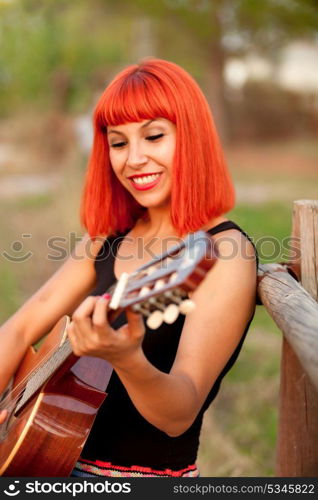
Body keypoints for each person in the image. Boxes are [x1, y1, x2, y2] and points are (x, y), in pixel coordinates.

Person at [0, 58, 257, 477]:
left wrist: (126, 358)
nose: (134, 158)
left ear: (192, 138)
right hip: (39, 465)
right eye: (118, 143)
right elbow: (21, 328)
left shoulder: (225, 254)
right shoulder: (109, 237)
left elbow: (179, 415)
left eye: (153, 136)